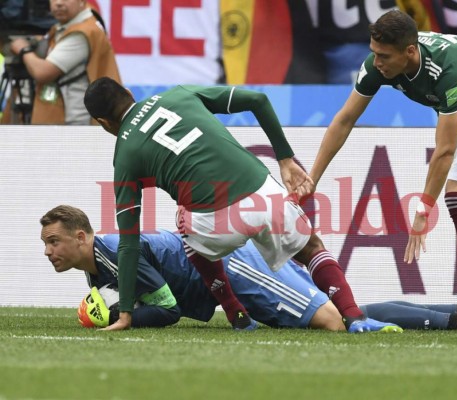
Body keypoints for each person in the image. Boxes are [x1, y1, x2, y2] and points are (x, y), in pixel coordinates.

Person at [82, 77, 399, 333]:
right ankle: (356, 317)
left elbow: (129, 241)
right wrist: (285, 158)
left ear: (102, 122)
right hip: (261, 191)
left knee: (186, 228)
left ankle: (237, 315)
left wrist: (125, 313)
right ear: (128, 92)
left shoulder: (123, 156)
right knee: (313, 247)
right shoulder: (178, 94)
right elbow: (258, 100)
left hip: (212, 222)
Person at [308, 10, 457, 330]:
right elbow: (344, 120)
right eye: (374, 53)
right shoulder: (377, 66)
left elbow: (444, 150)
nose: (377, 62)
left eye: (384, 56)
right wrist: (312, 178)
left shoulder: (448, 68)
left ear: (410, 52)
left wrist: (423, 209)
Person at [40, 204, 457, 332]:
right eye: (45, 244)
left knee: (334, 322)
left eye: (54, 241)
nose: (49, 251)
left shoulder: (116, 251)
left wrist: (121, 319)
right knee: (341, 311)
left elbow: (165, 307)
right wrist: (115, 306)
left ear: (82, 236)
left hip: (237, 267)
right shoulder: (98, 261)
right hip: (228, 273)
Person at [7, 0, 121, 124]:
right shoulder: (69, 25)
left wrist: (23, 50)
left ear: (82, 1)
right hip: (68, 119)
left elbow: (42, 73)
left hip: (75, 124)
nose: (59, 3)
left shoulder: (82, 32)